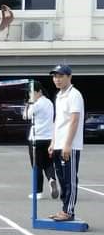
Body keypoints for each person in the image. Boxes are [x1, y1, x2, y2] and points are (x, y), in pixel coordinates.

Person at [47, 64, 85, 222]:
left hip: (70, 145)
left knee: (70, 180)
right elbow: (58, 121)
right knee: (62, 179)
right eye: (55, 76)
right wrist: (53, 142)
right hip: (58, 144)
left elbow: (74, 120)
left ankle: (69, 211)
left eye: (60, 76)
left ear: (69, 77)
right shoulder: (59, 96)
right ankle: (64, 209)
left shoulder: (74, 95)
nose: (57, 79)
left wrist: (67, 144)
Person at [23, 81, 58, 200]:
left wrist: (28, 103)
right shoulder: (49, 103)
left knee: (36, 165)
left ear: (39, 92)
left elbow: (26, 116)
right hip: (48, 138)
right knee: (48, 163)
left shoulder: (36, 104)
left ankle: (38, 192)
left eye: (32, 92)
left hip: (36, 138)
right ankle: (52, 179)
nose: (30, 95)